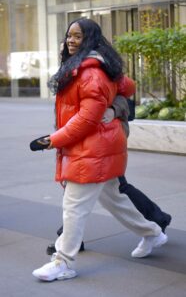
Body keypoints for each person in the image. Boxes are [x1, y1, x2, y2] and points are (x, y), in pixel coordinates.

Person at [32, 18, 168, 282]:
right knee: (116, 200)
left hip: (93, 148)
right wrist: (113, 102)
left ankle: (62, 262)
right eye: (69, 35)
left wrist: (54, 139)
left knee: (73, 206)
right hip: (99, 146)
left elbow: (86, 119)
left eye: (78, 36)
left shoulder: (90, 71)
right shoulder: (93, 65)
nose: (71, 40)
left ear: (90, 39)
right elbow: (127, 86)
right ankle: (153, 233)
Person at [46, 88, 171, 256]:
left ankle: (65, 251)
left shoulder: (99, 65)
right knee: (109, 192)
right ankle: (153, 229)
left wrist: (113, 110)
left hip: (100, 141)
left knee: (113, 191)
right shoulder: (73, 67)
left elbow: (123, 94)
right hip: (82, 141)